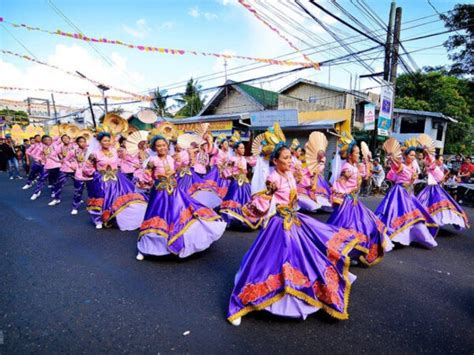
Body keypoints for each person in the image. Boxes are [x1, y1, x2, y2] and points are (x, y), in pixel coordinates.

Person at [227, 144, 360, 326]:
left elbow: (303, 186)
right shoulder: (273, 178)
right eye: (285, 158)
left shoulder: (289, 174)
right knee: (267, 262)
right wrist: (267, 195)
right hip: (278, 224)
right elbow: (262, 204)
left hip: (294, 221)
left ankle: (304, 295)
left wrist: (310, 173)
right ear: (275, 161)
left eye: (290, 157)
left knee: (305, 256)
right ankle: (243, 300)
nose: (290, 161)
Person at [135, 135, 226, 260]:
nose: (162, 148)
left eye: (164, 145)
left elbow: (176, 172)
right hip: (160, 194)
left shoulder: (171, 159)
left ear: (167, 146)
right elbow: (146, 176)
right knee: (157, 217)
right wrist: (147, 180)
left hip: (175, 192)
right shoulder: (152, 160)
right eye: (158, 146)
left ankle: (178, 243)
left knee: (179, 214)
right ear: (154, 148)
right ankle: (145, 248)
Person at [328, 138, 392, 266]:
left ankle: (353, 253)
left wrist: (367, 164)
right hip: (348, 204)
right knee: (349, 229)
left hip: (354, 202)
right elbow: (337, 185)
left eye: (359, 153)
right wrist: (339, 195)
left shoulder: (354, 167)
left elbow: (363, 177)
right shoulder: (347, 169)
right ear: (350, 155)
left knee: (366, 226)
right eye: (356, 153)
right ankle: (343, 253)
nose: (358, 155)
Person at [375, 139, 438, 248]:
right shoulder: (401, 165)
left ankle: (419, 237)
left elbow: (413, 181)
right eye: (411, 155)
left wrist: (413, 180)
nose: (413, 157)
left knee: (414, 214)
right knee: (394, 213)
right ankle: (393, 236)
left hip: (409, 193)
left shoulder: (413, 168)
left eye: (414, 155)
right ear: (405, 155)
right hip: (398, 192)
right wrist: (391, 159)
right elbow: (395, 166)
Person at [84, 132, 147, 230]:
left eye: (108, 140)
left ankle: (116, 218)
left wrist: (134, 164)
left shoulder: (113, 150)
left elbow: (120, 161)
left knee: (118, 198)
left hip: (116, 179)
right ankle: (98, 220)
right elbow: (87, 166)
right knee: (102, 199)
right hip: (102, 180)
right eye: (104, 140)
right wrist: (95, 173)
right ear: (100, 142)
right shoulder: (94, 154)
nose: (107, 142)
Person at [417, 151, 469, 230]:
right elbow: (430, 161)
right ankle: (429, 220)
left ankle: (436, 220)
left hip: (437, 187)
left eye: (442, 160)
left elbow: (441, 176)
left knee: (441, 204)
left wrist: (443, 177)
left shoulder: (438, 167)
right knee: (432, 203)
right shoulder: (433, 166)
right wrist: (427, 152)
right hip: (432, 188)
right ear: (436, 160)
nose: (442, 161)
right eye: (441, 159)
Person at [219, 141, 261, 229]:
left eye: (244, 148)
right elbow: (227, 171)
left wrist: (260, 152)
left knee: (247, 201)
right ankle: (233, 219)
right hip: (236, 183)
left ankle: (245, 219)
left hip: (245, 184)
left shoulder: (245, 159)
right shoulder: (232, 159)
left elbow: (254, 161)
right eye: (241, 148)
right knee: (234, 199)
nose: (243, 150)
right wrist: (232, 175)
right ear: (236, 149)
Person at [48, 134, 76, 206]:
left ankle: (78, 198)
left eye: (67, 138)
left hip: (75, 168)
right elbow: (51, 155)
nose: (66, 139)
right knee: (59, 184)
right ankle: (56, 199)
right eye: (64, 138)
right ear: (62, 140)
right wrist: (58, 160)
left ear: (69, 139)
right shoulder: (59, 147)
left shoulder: (75, 145)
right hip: (64, 168)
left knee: (78, 185)